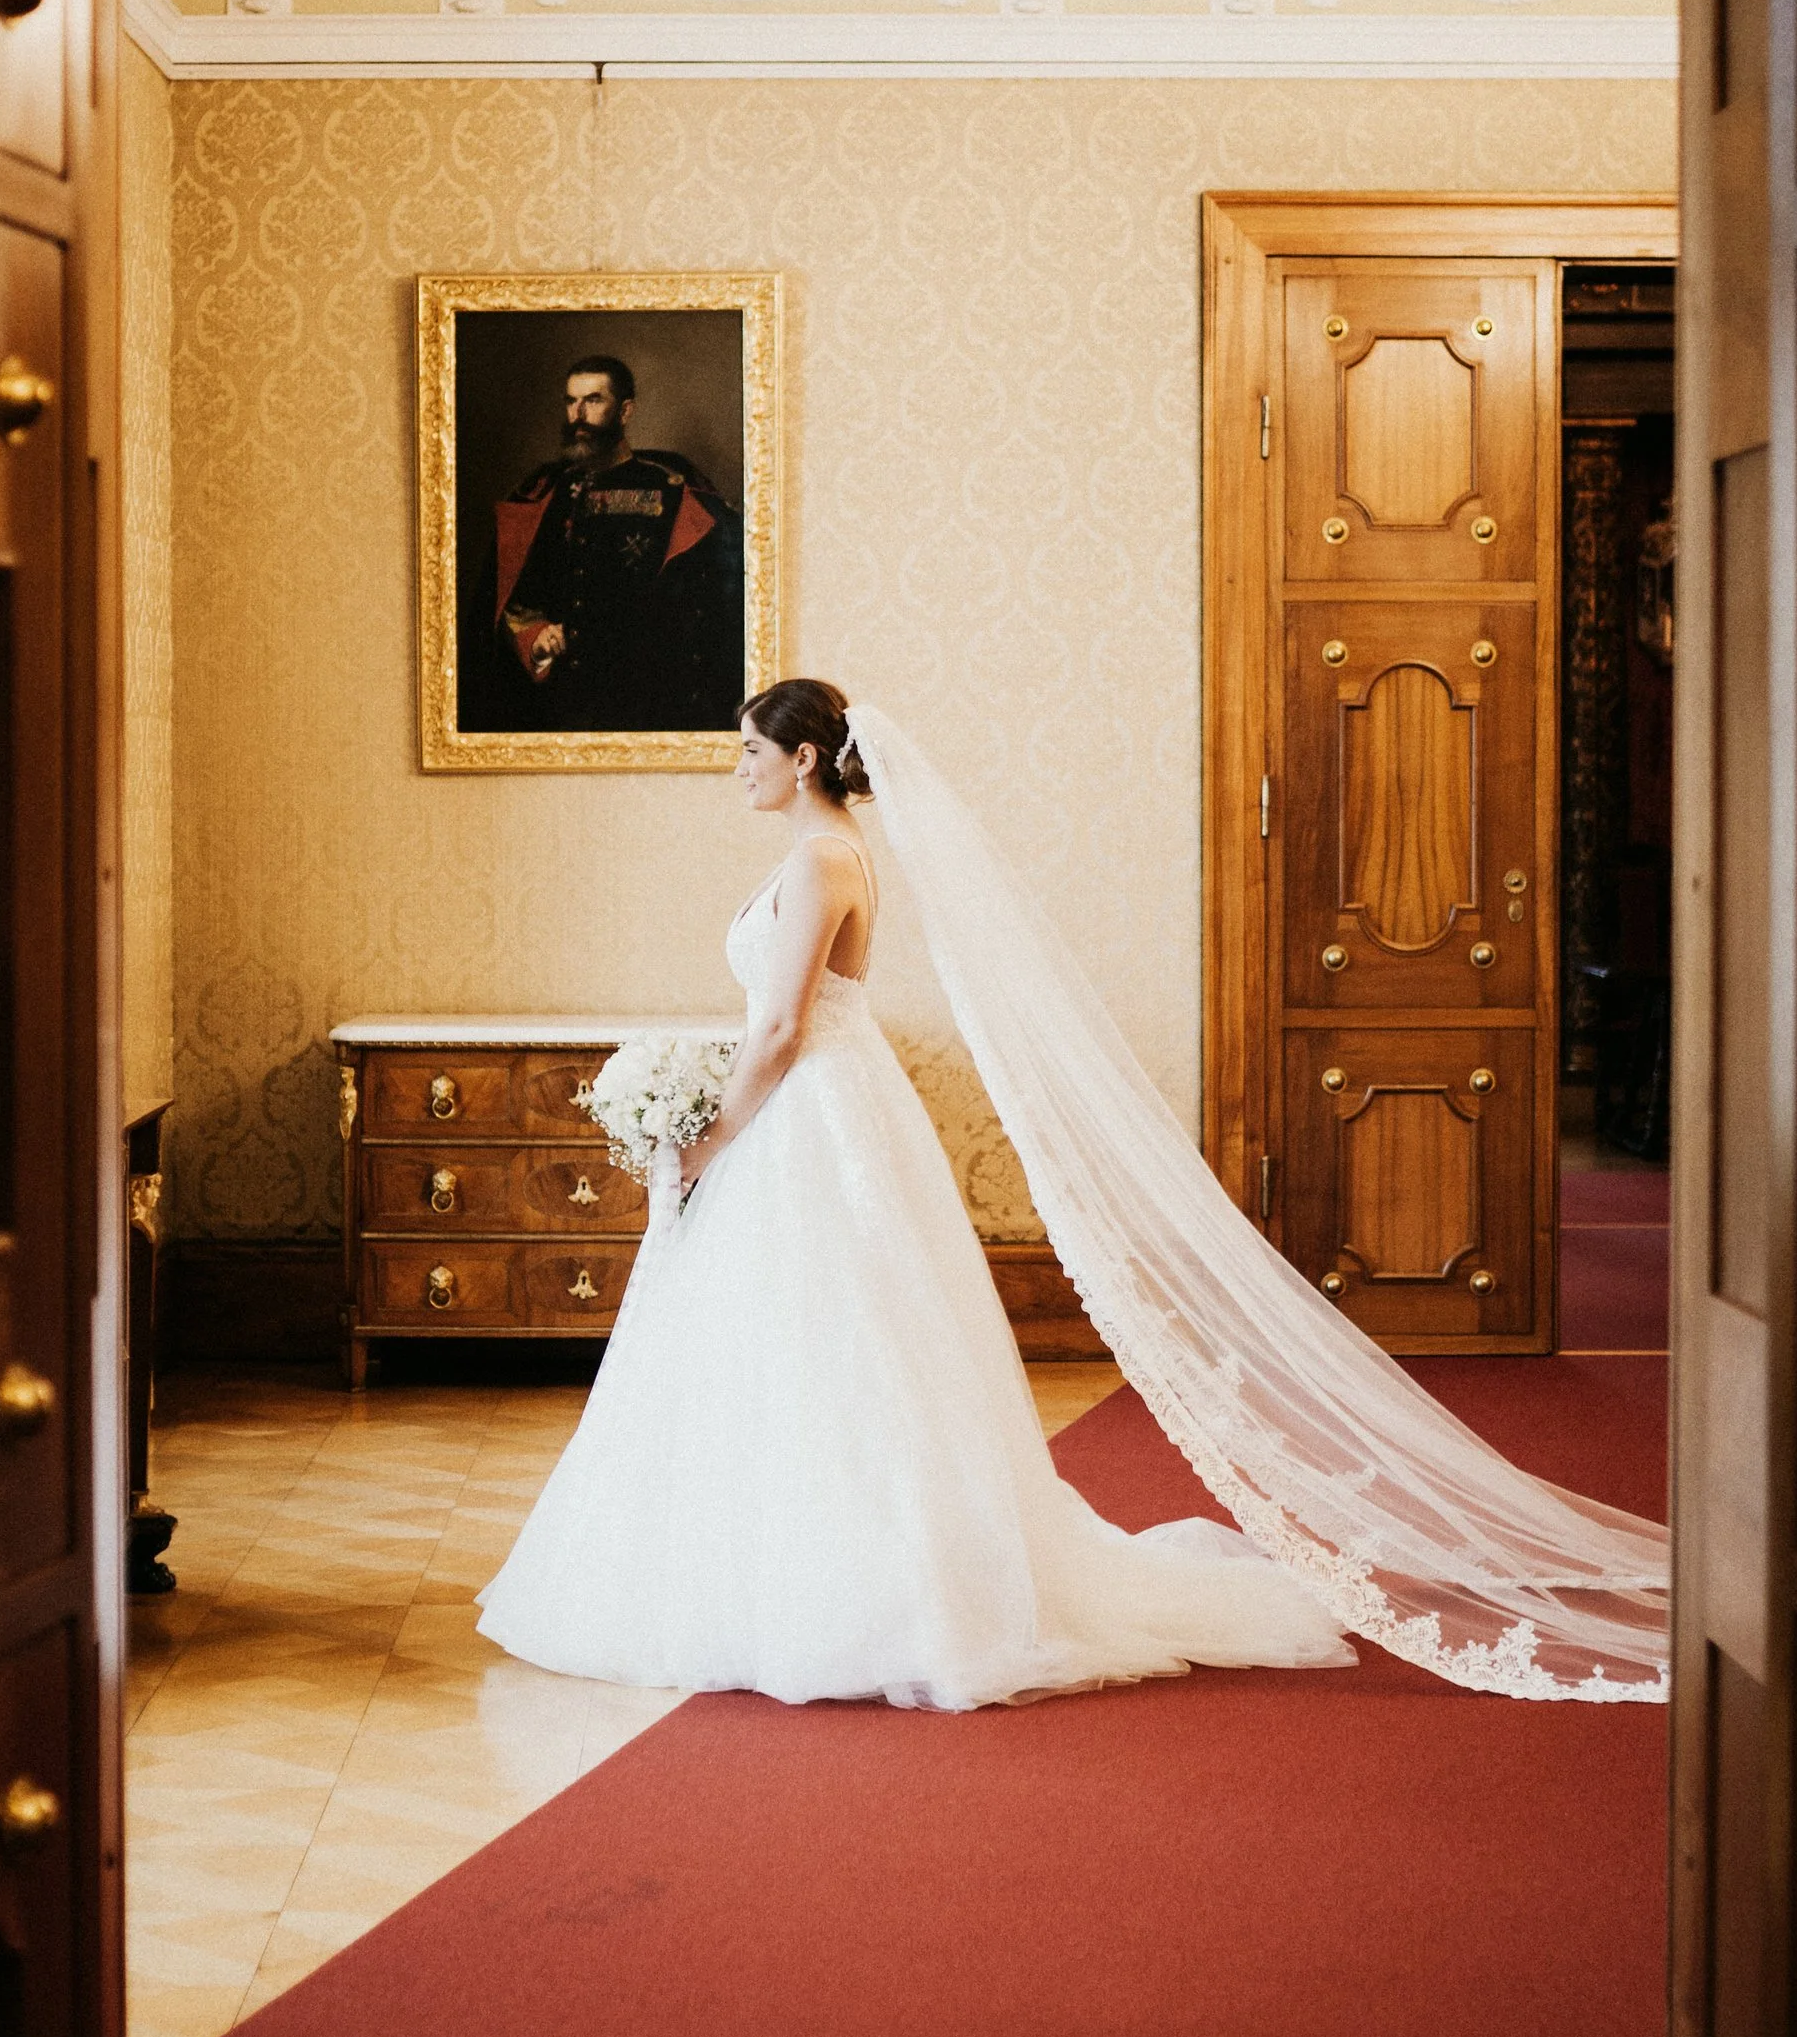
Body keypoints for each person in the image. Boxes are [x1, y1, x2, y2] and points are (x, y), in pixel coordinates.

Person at [480, 677, 1671, 1714]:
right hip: (821, 1111)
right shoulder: (828, 853)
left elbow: (784, 1027)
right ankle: (803, 1565)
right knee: (826, 1342)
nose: (734, 769)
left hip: (809, 1115)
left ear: (800, 759)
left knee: (835, 1342)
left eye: (748, 750)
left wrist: (705, 1140)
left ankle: (857, 1589)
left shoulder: (820, 858)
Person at [473, 353, 741, 733]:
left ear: (625, 410)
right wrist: (535, 638)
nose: (578, 414)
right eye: (571, 401)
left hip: (646, 698)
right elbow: (516, 596)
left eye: (593, 400)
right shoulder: (545, 491)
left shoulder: (670, 490)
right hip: (559, 701)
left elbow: (711, 601)